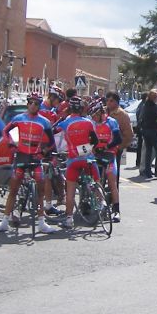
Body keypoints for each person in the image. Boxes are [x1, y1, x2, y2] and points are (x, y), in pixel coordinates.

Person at [0, 92, 59, 234]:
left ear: (39, 106)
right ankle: (4, 221)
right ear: (27, 104)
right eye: (31, 103)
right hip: (21, 157)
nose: (33, 105)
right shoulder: (18, 118)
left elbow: (52, 143)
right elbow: (5, 131)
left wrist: (44, 152)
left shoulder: (44, 122)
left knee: (40, 190)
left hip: (35, 158)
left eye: (36, 103)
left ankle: (42, 222)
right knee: (13, 190)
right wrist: (10, 143)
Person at [56, 97, 100, 230]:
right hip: (88, 159)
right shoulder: (89, 122)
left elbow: (53, 132)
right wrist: (84, 150)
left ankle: (69, 219)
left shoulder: (65, 123)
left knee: (70, 191)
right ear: (81, 109)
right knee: (97, 183)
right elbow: (95, 141)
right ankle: (102, 203)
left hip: (73, 160)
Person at [90, 100, 122, 222]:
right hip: (96, 154)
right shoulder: (92, 123)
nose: (93, 118)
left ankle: (116, 211)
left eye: (94, 115)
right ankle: (100, 205)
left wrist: (106, 147)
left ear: (100, 113)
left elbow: (118, 139)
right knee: (96, 181)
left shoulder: (111, 122)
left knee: (112, 182)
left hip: (109, 155)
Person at [105, 92, 133, 185]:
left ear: (117, 102)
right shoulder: (103, 112)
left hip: (115, 148)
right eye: (107, 100)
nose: (108, 103)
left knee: (113, 174)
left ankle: (114, 192)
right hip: (102, 147)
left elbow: (128, 134)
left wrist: (119, 147)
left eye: (111, 101)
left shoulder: (122, 114)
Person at [138, 89, 157, 179]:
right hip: (152, 130)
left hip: (145, 130)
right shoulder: (153, 106)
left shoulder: (145, 105)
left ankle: (147, 171)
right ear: (154, 98)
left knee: (148, 150)